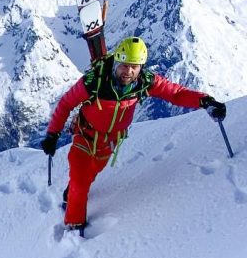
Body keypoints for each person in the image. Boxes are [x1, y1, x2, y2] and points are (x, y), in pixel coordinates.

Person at [41, 37, 226, 231]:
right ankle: (74, 226)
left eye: (134, 67)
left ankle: (72, 192)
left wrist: (205, 101)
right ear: (116, 62)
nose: (128, 71)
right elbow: (66, 104)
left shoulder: (144, 82)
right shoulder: (94, 81)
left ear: (140, 67)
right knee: (80, 179)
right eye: (124, 65)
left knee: (90, 172)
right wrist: (53, 134)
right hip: (85, 134)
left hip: (110, 141)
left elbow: (175, 93)